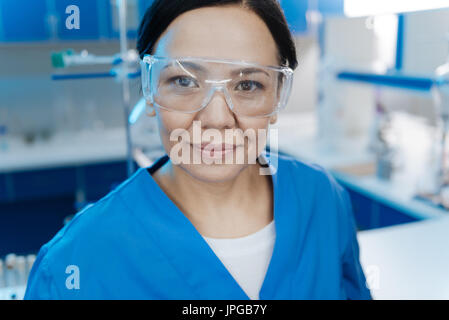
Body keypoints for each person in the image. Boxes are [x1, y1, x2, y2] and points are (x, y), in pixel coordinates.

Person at [24, 0, 371, 300]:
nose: (217, 119)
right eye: (184, 81)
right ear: (149, 88)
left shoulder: (323, 201)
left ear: (278, 95)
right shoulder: (75, 262)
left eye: (248, 84)